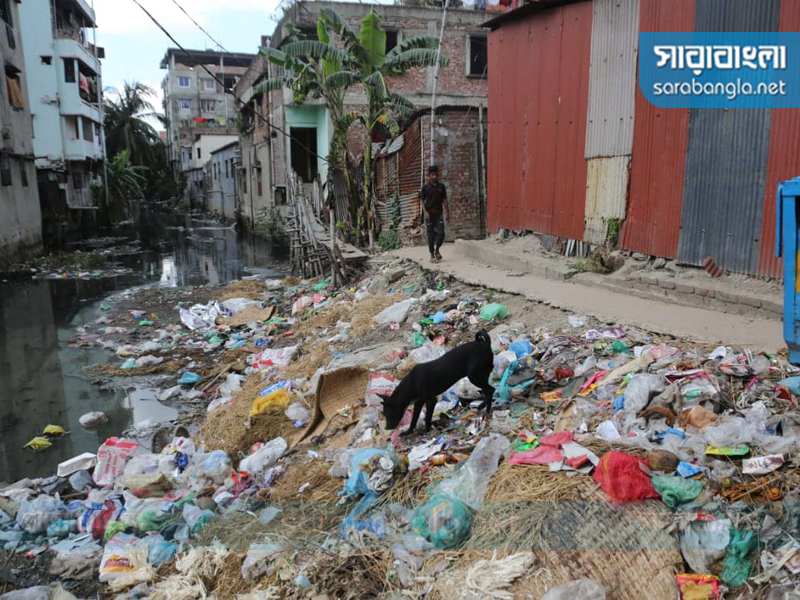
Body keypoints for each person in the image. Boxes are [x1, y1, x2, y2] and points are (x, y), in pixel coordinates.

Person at [420, 165, 449, 263]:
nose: (435, 177)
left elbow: (445, 200)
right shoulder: (425, 188)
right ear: (429, 175)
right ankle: (432, 255)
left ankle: (437, 250)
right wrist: (425, 211)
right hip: (429, 215)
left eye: (436, 175)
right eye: (433, 175)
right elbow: (422, 200)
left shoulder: (441, 187)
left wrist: (448, 213)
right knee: (431, 235)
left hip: (438, 214)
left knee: (441, 233)